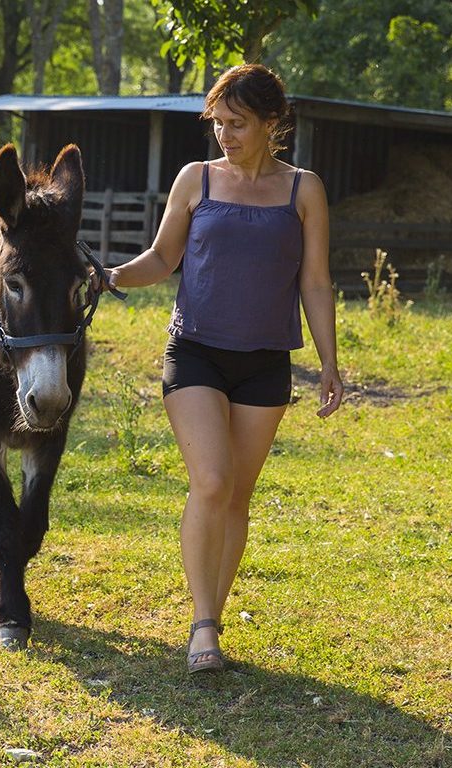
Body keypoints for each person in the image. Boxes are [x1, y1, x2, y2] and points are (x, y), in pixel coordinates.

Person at [101, 64, 344, 673]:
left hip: (266, 362)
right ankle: (203, 626)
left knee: (237, 497)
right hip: (196, 352)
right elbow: (162, 259)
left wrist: (331, 363)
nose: (225, 135)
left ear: (271, 123)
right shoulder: (196, 180)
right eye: (218, 123)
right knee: (211, 481)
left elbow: (315, 282)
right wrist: (108, 277)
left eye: (237, 124)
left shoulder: (303, 190)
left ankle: (214, 611)